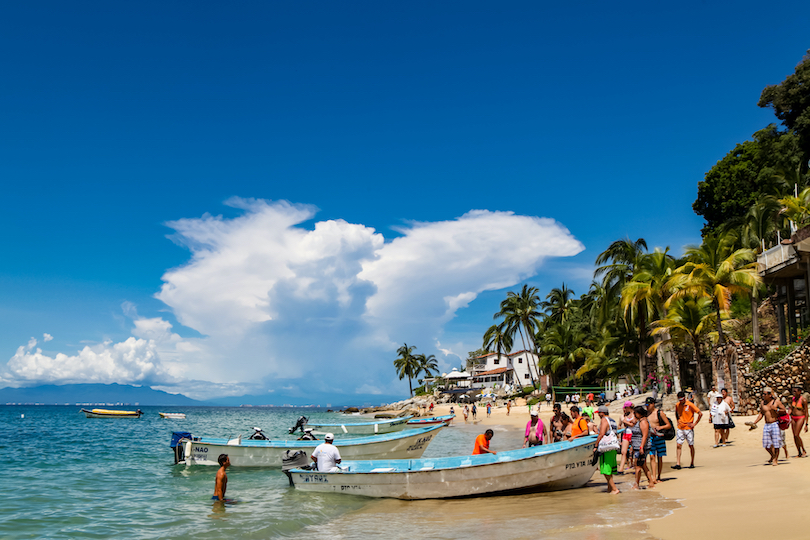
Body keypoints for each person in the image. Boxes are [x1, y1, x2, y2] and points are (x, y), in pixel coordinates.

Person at [750, 387, 787, 465]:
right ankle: (773, 456)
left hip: (775, 423)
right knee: (766, 444)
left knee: (776, 443)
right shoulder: (763, 403)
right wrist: (754, 423)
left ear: (770, 395)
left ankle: (775, 459)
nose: (763, 395)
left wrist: (776, 409)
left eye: (765, 394)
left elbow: (784, 410)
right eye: (763, 394)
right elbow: (761, 414)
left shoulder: (776, 402)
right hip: (767, 424)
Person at [673, 390, 702, 470]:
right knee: (678, 445)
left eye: (681, 399)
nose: (680, 401)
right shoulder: (677, 405)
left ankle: (692, 462)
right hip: (680, 427)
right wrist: (678, 420)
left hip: (688, 427)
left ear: (684, 398)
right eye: (679, 399)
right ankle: (678, 463)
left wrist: (694, 423)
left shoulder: (690, 404)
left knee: (691, 445)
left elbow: (700, 413)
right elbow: (676, 412)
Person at [594, 405, 620, 494]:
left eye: (599, 413)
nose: (598, 415)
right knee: (609, 468)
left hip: (606, 448)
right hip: (613, 447)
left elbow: (601, 434)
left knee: (605, 469)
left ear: (602, 413)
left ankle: (614, 489)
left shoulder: (604, 420)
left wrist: (596, 445)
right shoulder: (613, 420)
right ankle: (609, 488)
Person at [646, 397, 672, 482]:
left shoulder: (659, 413)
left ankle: (659, 476)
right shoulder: (646, 414)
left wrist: (660, 427)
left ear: (653, 404)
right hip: (650, 437)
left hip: (659, 437)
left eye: (648, 405)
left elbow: (668, 425)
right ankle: (653, 477)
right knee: (652, 456)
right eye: (646, 405)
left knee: (660, 456)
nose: (647, 406)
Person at [630, 406, 656, 489]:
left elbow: (644, 436)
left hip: (642, 447)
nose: (634, 414)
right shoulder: (640, 421)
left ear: (639, 413)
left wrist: (641, 447)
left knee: (638, 466)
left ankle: (636, 485)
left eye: (635, 413)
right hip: (637, 446)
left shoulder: (643, 422)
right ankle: (650, 482)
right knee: (643, 465)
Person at [618, 401, 637, 474]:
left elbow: (633, 423)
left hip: (633, 434)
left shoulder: (635, 414)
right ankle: (621, 469)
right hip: (626, 434)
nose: (625, 409)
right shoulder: (626, 415)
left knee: (634, 452)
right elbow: (628, 423)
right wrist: (629, 422)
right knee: (623, 452)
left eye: (626, 407)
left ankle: (635, 466)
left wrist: (626, 422)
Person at [789, 385, 808, 458]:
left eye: (795, 391)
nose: (794, 392)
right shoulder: (793, 399)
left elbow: (806, 413)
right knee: (794, 436)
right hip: (793, 418)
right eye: (793, 391)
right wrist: (787, 415)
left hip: (801, 417)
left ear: (799, 392)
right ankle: (799, 452)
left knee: (797, 434)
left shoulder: (803, 400)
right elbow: (791, 408)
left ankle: (803, 450)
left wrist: (806, 424)